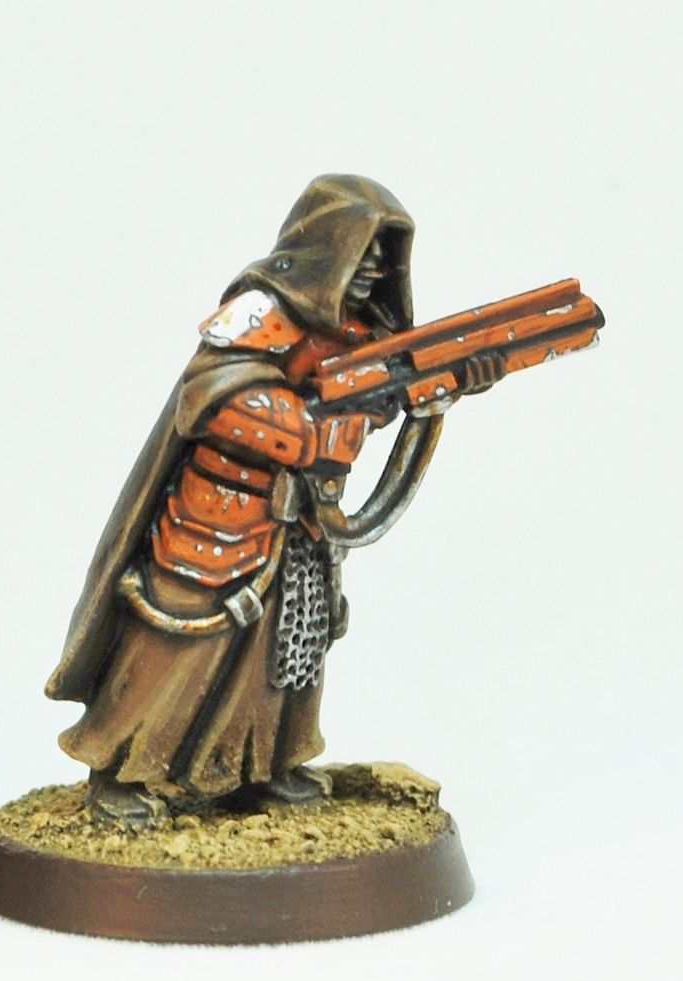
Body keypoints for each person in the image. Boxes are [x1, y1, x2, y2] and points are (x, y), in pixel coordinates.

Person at [46, 174, 502, 823]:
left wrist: (439, 390)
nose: (374, 266)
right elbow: (212, 397)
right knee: (179, 649)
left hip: (304, 525)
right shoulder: (259, 311)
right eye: (362, 248)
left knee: (288, 658)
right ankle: (118, 769)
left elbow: (371, 404)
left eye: (385, 253)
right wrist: (313, 432)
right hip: (220, 517)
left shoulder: (361, 332)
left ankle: (261, 767)